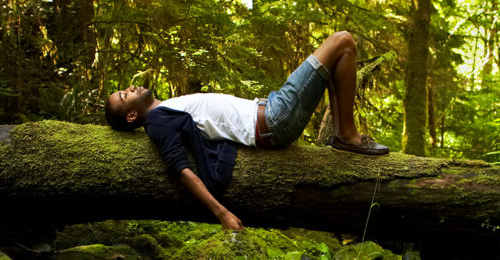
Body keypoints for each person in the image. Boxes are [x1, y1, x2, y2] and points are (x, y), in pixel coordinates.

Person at [105, 31, 389, 230]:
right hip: (274, 120)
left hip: (272, 108)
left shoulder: (165, 108)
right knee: (343, 41)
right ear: (132, 115)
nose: (129, 88)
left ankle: (344, 133)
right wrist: (222, 213)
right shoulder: (157, 122)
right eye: (123, 95)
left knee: (338, 57)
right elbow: (181, 170)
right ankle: (348, 136)